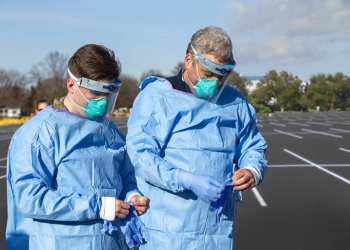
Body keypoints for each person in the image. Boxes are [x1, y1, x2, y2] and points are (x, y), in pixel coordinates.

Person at [126, 26, 268, 250]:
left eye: (221, 76)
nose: (215, 82)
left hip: (216, 232)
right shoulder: (157, 98)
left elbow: (252, 145)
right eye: (208, 74)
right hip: (165, 233)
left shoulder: (235, 103)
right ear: (188, 60)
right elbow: (140, 155)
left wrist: (252, 169)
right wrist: (184, 178)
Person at [6, 44, 150, 250]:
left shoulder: (109, 130)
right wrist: (97, 206)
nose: (103, 100)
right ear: (71, 85)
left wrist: (132, 196)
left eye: (108, 92)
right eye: (95, 93)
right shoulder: (42, 133)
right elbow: (30, 197)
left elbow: (125, 177)